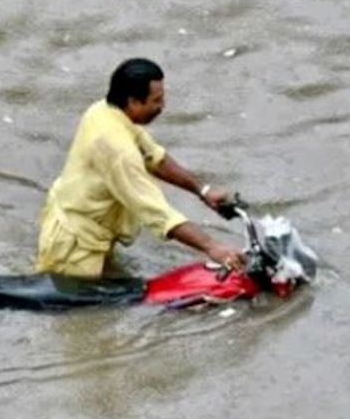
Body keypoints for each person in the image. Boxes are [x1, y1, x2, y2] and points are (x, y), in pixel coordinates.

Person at [36, 58, 246, 278]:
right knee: (85, 312)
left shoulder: (105, 110)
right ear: (134, 102)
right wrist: (212, 247)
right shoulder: (117, 149)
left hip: (86, 230)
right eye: (156, 100)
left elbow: (155, 157)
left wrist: (202, 191)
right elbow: (156, 211)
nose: (162, 106)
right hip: (75, 247)